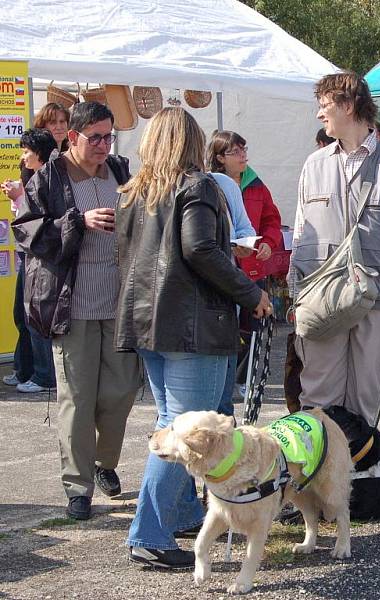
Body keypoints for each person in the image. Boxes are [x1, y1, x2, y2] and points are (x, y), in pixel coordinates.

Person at [115, 107, 271, 569]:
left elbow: (126, 257)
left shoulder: (133, 191)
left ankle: (181, 512)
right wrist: (250, 293)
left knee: (171, 422)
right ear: (192, 141)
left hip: (149, 322)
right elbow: (200, 249)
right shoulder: (196, 185)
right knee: (183, 432)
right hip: (192, 326)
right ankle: (149, 533)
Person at [11, 102, 141, 521]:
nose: (105, 145)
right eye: (96, 138)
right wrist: (77, 221)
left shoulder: (120, 171)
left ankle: (104, 462)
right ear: (73, 138)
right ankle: (78, 486)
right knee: (78, 398)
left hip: (118, 301)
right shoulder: (49, 176)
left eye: (109, 137)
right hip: (73, 302)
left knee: (120, 392)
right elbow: (27, 232)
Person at [289, 71, 380, 428]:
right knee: (318, 394)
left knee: (367, 392)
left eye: (325, 106)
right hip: (323, 299)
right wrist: (295, 293)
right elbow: (302, 232)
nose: (320, 114)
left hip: (379, 298)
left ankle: (361, 476)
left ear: (348, 106)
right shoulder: (313, 165)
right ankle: (318, 474)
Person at [207, 130, 282, 415]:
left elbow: (272, 220)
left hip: (251, 270)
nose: (243, 156)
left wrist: (267, 243)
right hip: (222, 273)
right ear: (219, 158)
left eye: (243, 149)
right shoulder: (209, 185)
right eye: (235, 152)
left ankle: (243, 380)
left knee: (252, 330)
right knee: (226, 332)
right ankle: (224, 388)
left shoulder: (256, 185)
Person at [2, 129, 58, 393]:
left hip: (41, 256)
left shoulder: (51, 177)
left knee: (35, 316)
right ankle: (25, 369)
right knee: (22, 315)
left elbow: (38, 218)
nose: (23, 158)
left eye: (27, 152)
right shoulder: (33, 175)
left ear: (40, 153)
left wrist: (18, 198)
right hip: (29, 254)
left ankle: (44, 376)